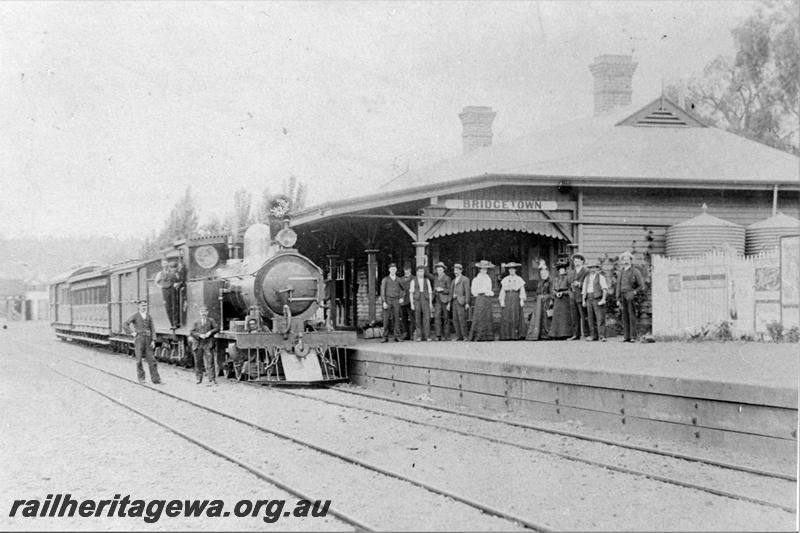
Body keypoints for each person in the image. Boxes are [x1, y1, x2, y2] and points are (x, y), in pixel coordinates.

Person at [123, 300, 162, 384]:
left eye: (145, 306)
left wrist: (153, 340)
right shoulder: (135, 316)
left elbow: (153, 329)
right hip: (139, 339)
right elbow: (125, 324)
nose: (144, 308)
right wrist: (132, 333)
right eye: (142, 306)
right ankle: (141, 379)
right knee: (139, 360)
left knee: (152, 360)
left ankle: (156, 379)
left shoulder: (149, 317)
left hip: (148, 339)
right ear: (138, 307)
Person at [616, 251, 644, 342]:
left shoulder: (635, 271)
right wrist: (617, 297)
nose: (626, 261)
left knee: (632, 316)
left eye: (628, 259)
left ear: (631, 261)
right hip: (622, 295)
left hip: (630, 295)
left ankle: (633, 336)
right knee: (624, 316)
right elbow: (618, 285)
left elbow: (641, 285)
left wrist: (634, 292)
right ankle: (626, 337)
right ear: (622, 261)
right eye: (624, 260)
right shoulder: (621, 272)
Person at [190, 305, 219, 384]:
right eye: (202, 312)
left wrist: (210, 332)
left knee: (210, 362)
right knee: (198, 362)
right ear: (200, 313)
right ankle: (198, 378)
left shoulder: (211, 320)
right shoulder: (196, 322)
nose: (203, 313)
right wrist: (199, 335)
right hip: (198, 344)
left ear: (207, 312)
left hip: (208, 343)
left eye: (205, 312)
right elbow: (192, 332)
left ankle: (212, 379)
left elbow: (217, 328)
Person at [468, 260, 495, 341]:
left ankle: (487, 336)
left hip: (487, 299)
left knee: (487, 316)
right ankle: (478, 336)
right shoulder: (476, 279)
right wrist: (480, 294)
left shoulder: (488, 278)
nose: (484, 271)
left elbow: (489, 288)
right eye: (482, 269)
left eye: (486, 269)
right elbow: (473, 290)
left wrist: (489, 293)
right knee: (479, 316)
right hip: (480, 298)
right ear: (479, 269)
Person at [499, 262, 526, 340]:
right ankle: (507, 335)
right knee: (507, 315)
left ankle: (516, 335)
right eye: (510, 270)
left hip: (516, 297)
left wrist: (522, 299)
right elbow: (503, 291)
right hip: (507, 298)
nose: (511, 271)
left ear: (515, 270)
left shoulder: (519, 279)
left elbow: (522, 290)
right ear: (508, 271)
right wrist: (502, 300)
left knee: (516, 314)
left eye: (513, 269)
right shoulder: (505, 279)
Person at [582, 259, 609, 341]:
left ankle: (602, 336)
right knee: (590, 318)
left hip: (597, 298)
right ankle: (593, 335)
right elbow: (584, 290)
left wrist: (603, 299)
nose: (592, 269)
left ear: (597, 268)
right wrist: (583, 300)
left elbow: (605, 289)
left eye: (594, 268)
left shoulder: (600, 277)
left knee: (600, 317)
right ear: (589, 269)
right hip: (589, 298)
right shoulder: (586, 278)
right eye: (590, 268)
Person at [526, 263, 553, 340]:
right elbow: (537, 292)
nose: (543, 275)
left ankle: (547, 334)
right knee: (538, 317)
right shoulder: (540, 282)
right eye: (542, 274)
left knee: (546, 317)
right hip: (539, 303)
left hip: (547, 302)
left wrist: (545, 297)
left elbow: (551, 292)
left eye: (545, 273)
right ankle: (538, 334)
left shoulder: (550, 282)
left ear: (548, 273)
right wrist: (537, 298)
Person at [380, 263, 404, 343]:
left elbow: (403, 290)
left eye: (394, 269)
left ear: (396, 270)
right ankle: (385, 336)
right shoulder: (385, 279)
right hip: (388, 300)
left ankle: (397, 336)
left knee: (397, 318)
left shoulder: (398, 279)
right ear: (389, 270)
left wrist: (401, 297)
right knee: (386, 319)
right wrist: (384, 302)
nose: (393, 270)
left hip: (396, 300)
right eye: (391, 269)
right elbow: (382, 291)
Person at [549, 259, 574, 339]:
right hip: (557, 299)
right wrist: (556, 293)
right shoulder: (555, 279)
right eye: (560, 270)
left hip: (565, 300)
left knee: (565, 317)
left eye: (563, 269)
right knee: (557, 317)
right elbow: (552, 289)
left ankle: (565, 334)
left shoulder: (568, 278)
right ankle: (556, 334)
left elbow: (570, 289)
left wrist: (563, 293)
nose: (561, 271)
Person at [568, 253, 590, 340]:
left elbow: (589, 283)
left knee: (584, 315)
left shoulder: (586, 271)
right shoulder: (571, 272)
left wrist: (580, 284)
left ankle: (586, 334)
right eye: (575, 261)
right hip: (573, 296)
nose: (576, 263)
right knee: (574, 316)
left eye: (578, 261)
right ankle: (576, 334)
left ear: (582, 261)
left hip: (582, 296)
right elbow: (569, 283)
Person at [408, 265, 433, 341]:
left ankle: (427, 336)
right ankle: (419, 336)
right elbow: (411, 293)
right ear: (417, 272)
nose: (420, 273)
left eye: (422, 271)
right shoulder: (413, 281)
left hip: (425, 299)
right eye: (419, 271)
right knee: (417, 318)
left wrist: (430, 303)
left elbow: (430, 292)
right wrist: (412, 303)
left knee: (426, 318)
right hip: (417, 300)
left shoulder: (427, 280)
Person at [449, 263, 470, 341]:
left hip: (461, 301)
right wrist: (449, 302)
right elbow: (451, 292)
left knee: (462, 319)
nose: (455, 272)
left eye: (457, 270)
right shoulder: (453, 280)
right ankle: (459, 336)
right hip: (454, 301)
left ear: (461, 271)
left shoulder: (465, 279)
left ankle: (465, 336)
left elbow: (467, 291)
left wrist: (467, 302)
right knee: (455, 319)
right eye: (455, 270)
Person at [432, 262, 452, 341]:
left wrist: (442, 289)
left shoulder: (447, 278)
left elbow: (450, 290)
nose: (439, 271)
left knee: (446, 318)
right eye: (438, 269)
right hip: (437, 300)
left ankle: (447, 336)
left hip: (445, 300)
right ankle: (438, 335)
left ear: (443, 270)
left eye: (440, 269)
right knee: (437, 317)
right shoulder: (435, 278)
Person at [154, 260, 177, 329]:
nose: (165, 265)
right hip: (165, 290)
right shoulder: (160, 273)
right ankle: (172, 323)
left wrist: (176, 284)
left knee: (175, 306)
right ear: (162, 265)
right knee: (168, 307)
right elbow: (156, 282)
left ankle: (175, 323)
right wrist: (161, 286)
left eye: (166, 263)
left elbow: (177, 279)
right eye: (164, 264)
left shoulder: (173, 272)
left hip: (173, 289)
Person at [399, 264, 415, 340]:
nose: (407, 271)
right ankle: (405, 334)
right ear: (404, 271)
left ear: (410, 270)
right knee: (403, 318)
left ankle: (412, 334)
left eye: (408, 270)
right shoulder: (400, 279)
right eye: (405, 270)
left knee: (412, 318)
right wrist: (400, 297)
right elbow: (399, 290)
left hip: (411, 301)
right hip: (403, 301)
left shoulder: (414, 278)